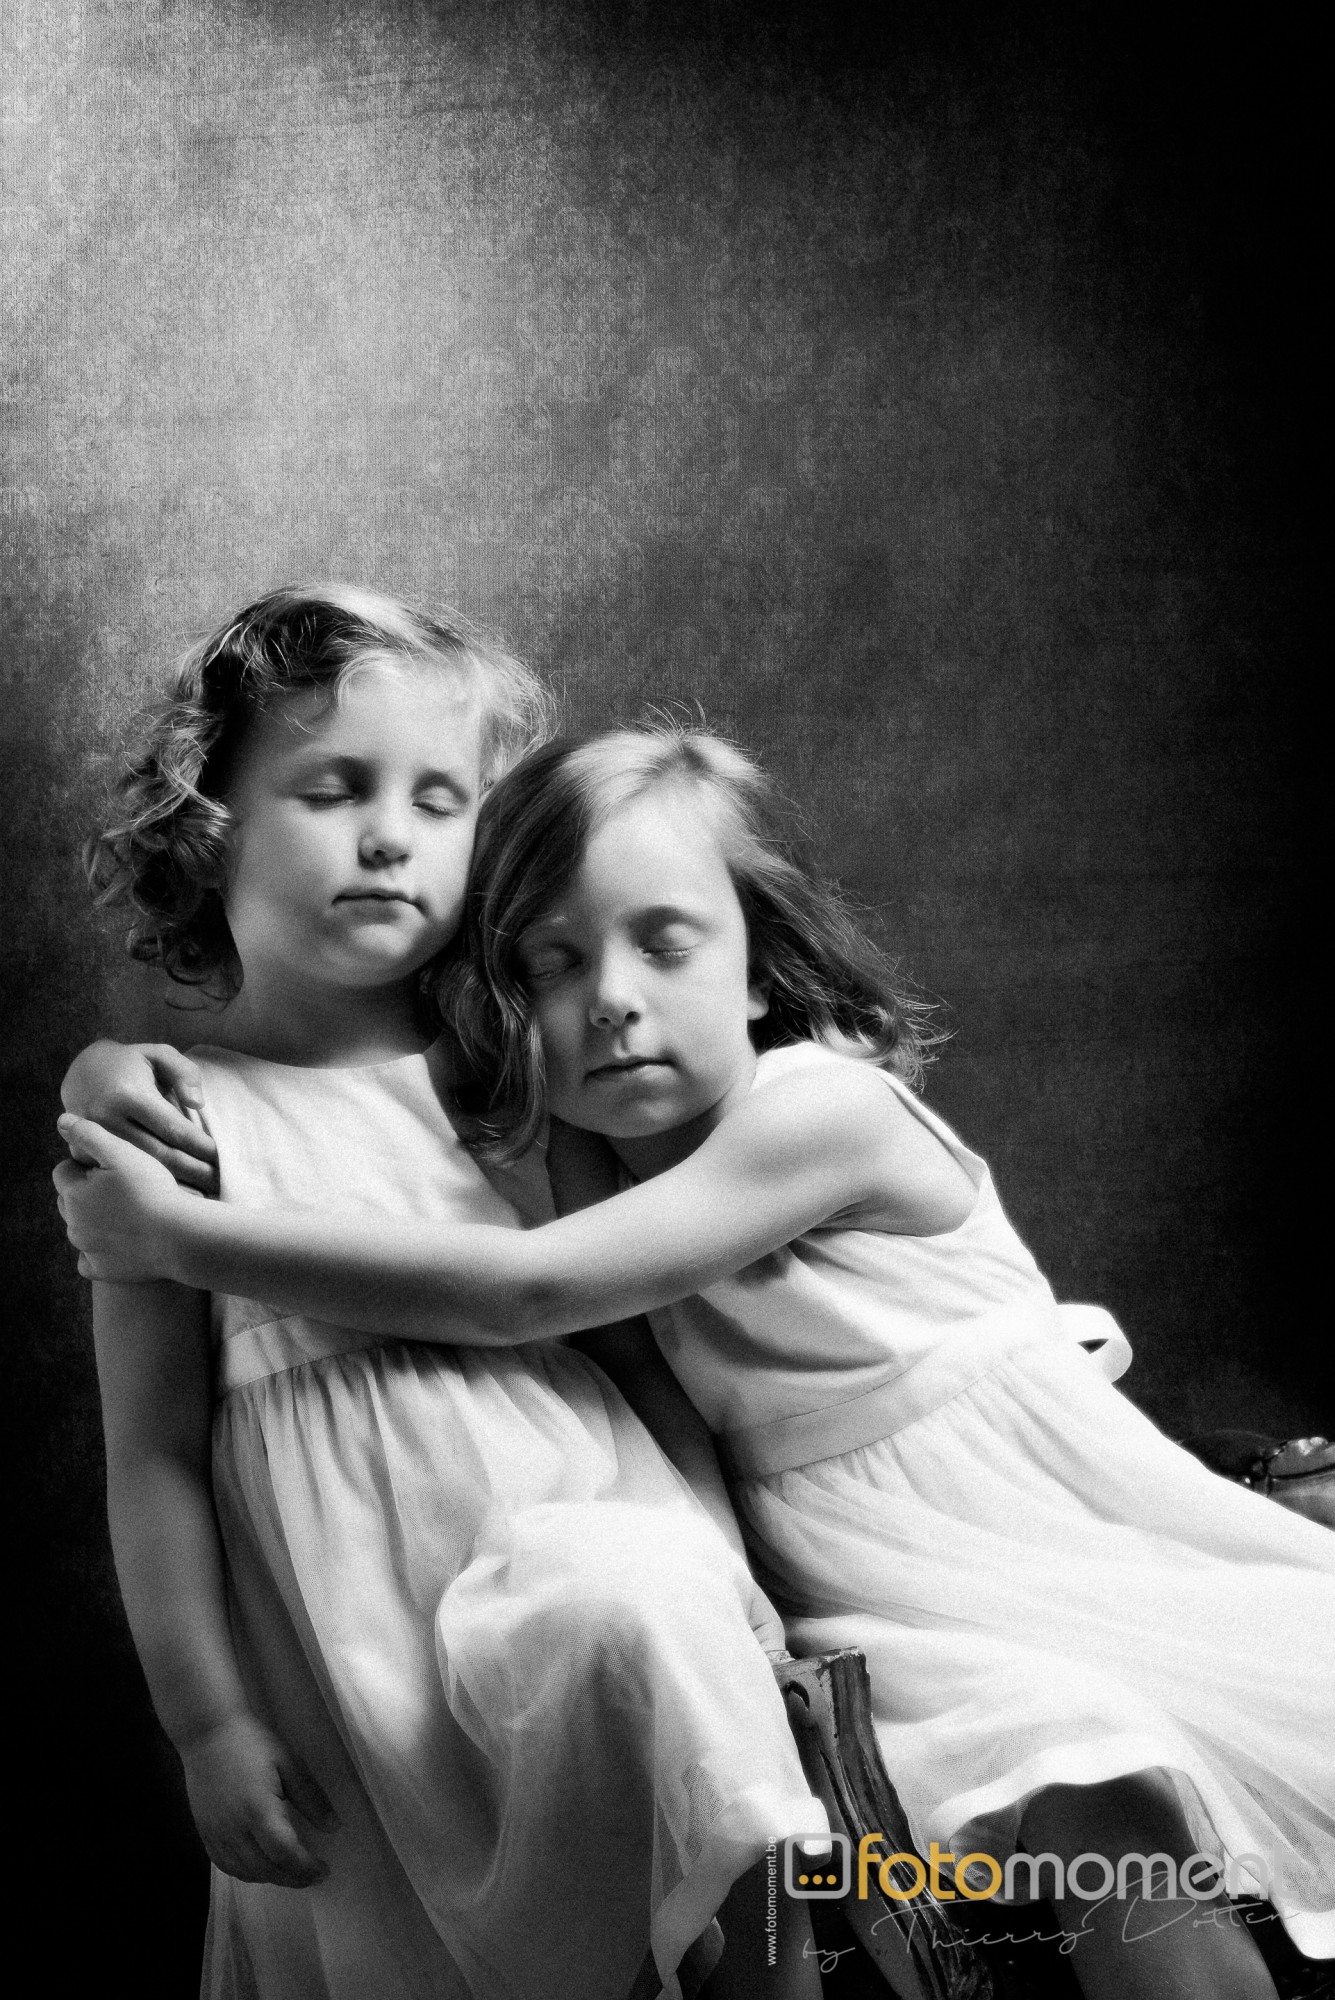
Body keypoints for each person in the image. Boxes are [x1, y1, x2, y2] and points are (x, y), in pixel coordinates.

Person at [58, 725, 1335, 2000]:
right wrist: (105, 1067)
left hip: (1023, 1544)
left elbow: (528, 1290)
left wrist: (181, 1238)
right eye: (553, 963)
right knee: (1030, 1761)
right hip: (837, 1592)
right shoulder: (576, 1152)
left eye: (665, 944)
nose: (611, 997)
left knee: (1103, 1770)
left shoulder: (819, 1115)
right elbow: (372, 1095)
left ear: (761, 973)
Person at [57, 624, 829, 2000]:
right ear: (206, 829)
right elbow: (153, 1455)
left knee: (715, 1848)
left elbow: (634, 1355)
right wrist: (208, 1723)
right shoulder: (175, 1125)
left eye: (438, 800)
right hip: (354, 1649)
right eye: (332, 789)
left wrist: (731, 1578)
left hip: (598, 1573)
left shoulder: (515, 1080)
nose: (388, 838)